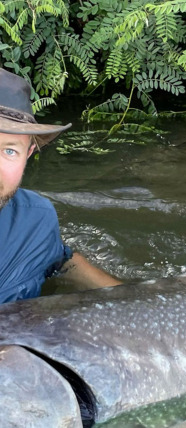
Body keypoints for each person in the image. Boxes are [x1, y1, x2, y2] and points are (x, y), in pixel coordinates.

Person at [0, 68, 121, 304]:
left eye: (9, 150)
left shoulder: (35, 218)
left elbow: (60, 262)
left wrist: (138, 301)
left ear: (28, 154)